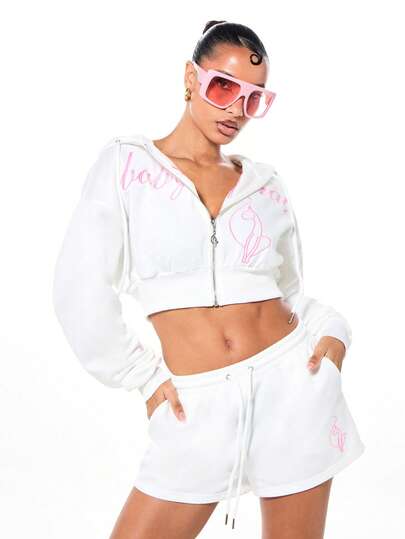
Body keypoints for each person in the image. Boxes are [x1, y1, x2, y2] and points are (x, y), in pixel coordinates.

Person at [52, 20, 365, 539]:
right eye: (224, 86)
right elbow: (78, 288)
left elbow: (285, 293)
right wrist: (142, 376)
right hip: (195, 408)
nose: (237, 109)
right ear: (190, 78)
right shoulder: (126, 165)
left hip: (295, 394)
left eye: (255, 98)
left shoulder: (266, 185)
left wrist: (334, 331)